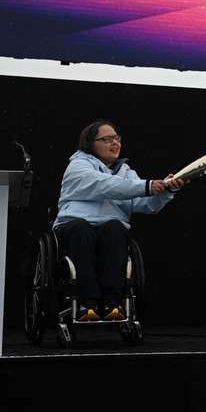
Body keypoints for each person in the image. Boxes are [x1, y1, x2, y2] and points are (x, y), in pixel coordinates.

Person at [53, 120, 185, 322]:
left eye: (116, 138)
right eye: (106, 139)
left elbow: (146, 203)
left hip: (110, 227)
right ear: (90, 144)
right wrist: (147, 185)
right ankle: (85, 303)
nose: (114, 143)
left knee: (115, 228)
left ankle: (111, 303)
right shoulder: (77, 166)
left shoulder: (126, 172)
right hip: (74, 224)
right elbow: (104, 185)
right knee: (82, 230)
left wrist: (167, 190)